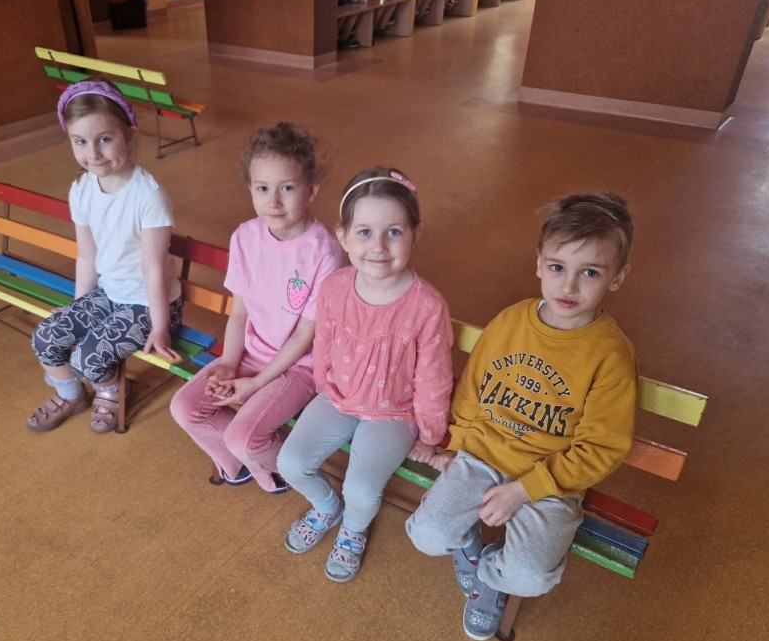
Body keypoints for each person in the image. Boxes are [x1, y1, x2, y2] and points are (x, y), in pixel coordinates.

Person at [406, 191, 637, 641]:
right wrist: (457, 444)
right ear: (538, 264)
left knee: (528, 577)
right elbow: (473, 390)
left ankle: (491, 580)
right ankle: (470, 546)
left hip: (550, 481)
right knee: (427, 536)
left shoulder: (611, 354)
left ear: (618, 277)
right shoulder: (511, 321)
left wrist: (525, 490)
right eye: (557, 267)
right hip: (482, 457)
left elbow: (602, 448)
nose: (569, 286)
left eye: (590, 272)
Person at [277, 167, 454, 582]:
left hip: (394, 413)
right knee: (291, 462)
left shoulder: (427, 305)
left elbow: (434, 379)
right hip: (338, 398)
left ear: (415, 234)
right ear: (343, 236)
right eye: (364, 232)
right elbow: (324, 342)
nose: (378, 246)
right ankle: (327, 508)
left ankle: (353, 530)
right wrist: (323, 386)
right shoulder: (334, 287)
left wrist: (430, 435)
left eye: (393, 231)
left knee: (361, 489)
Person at [169, 122, 343, 493]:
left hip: (299, 367)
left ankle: (278, 472)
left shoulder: (324, 252)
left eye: (287, 188)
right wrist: (229, 363)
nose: (273, 201)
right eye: (262, 188)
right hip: (251, 354)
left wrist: (257, 384)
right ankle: (245, 464)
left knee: (243, 437)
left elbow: (305, 335)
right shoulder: (245, 237)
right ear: (250, 188)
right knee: (184, 408)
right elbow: (240, 312)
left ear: (312, 189)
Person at [27, 80, 182, 434]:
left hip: (148, 304)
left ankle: (112, 390)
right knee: (46, 337)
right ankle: (71, 395)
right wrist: (78, 309)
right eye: (80, 141)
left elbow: (153, 269)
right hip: (108, 293)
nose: (93, 153)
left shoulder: (148, 195)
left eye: (105, 139)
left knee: (87, 357)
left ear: (129, 135)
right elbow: (87, 255)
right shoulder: (81, 188)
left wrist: (160, 326)